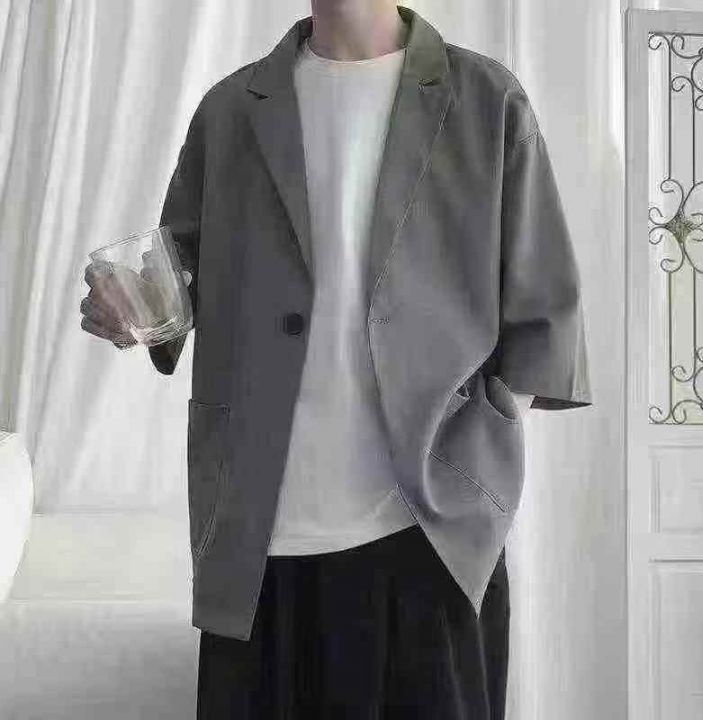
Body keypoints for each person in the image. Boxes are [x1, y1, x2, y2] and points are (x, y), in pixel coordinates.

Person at [81, 2, 592, 717]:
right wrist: (129, 311)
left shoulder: (485, 99)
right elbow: (174, 282)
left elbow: (546, 311)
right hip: (258, 547)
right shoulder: (231, 110)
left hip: (430, 540)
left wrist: (481, 434)